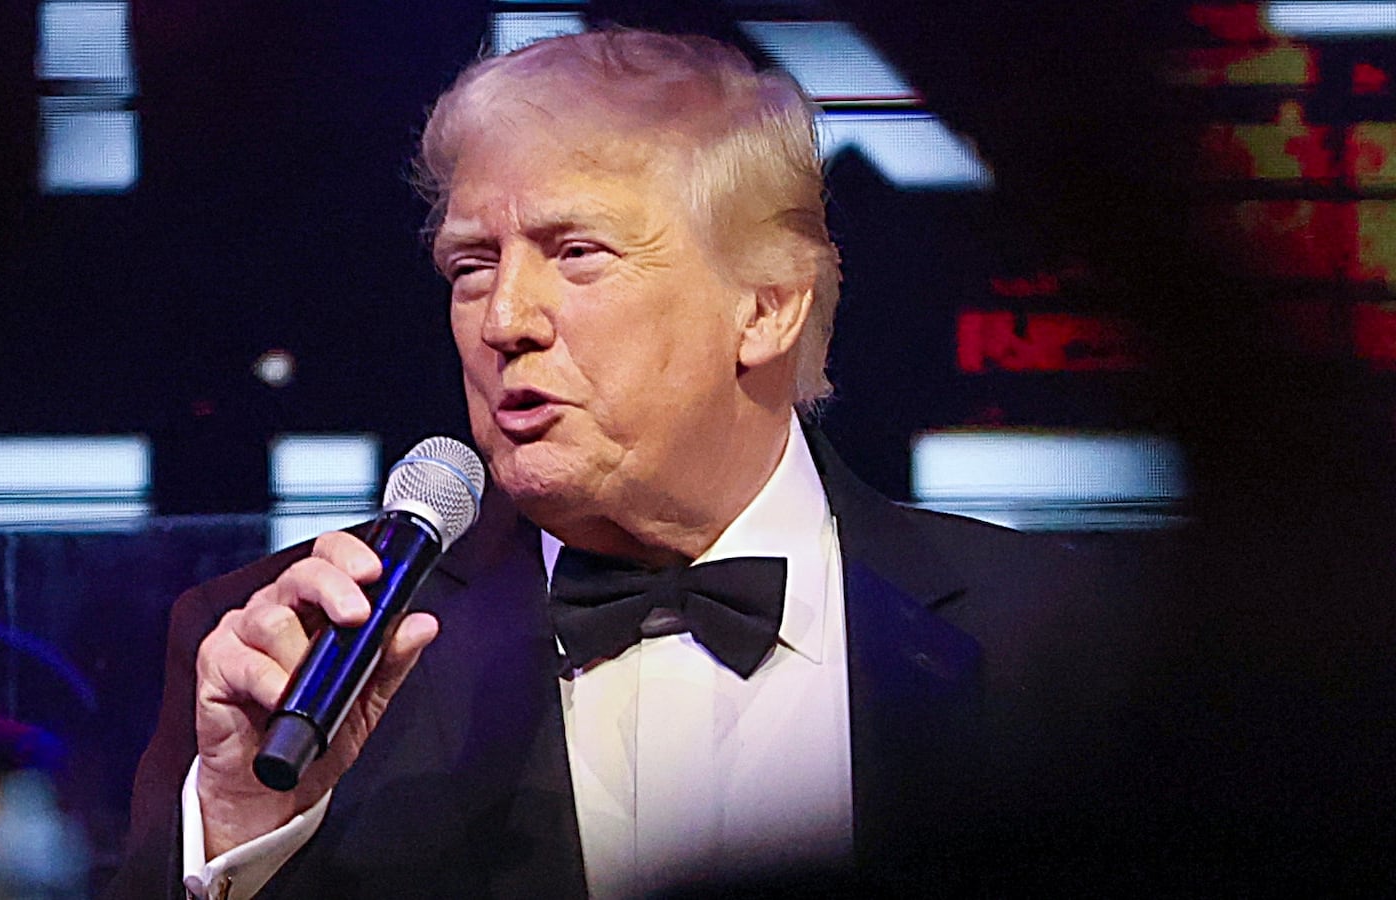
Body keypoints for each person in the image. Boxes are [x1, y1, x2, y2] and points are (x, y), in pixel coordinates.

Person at [109, 29, 1118, 899]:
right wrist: (243, 820)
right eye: (472, 266)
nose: (504, 320)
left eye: (577, 253)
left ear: (765, 304)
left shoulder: (1065, 644)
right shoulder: (296, 664)